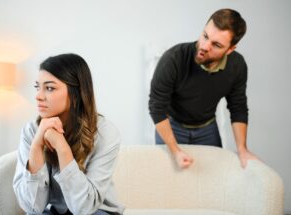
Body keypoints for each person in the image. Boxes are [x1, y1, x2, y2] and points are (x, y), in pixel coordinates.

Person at [13, 53, 124, 215]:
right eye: (38, 87)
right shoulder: (31, 131)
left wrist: (61, 147)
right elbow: (32, 207)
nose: (38, 96)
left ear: (75, 93)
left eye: (49, 88)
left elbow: (84, 207)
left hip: (96, 211)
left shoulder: (105, 133)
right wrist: (37, 146)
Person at [149, 8, 259, 169]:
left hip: (207, 128)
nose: (205, 46)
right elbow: (156, 107)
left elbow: (238, 107)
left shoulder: (237, 66)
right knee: (170, 179)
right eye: (205, 36)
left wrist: (242, 149)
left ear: (230, 50)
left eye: (216, 45)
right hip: (172, 125)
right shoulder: (173, 59)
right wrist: (175, 151)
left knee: (213, 178)